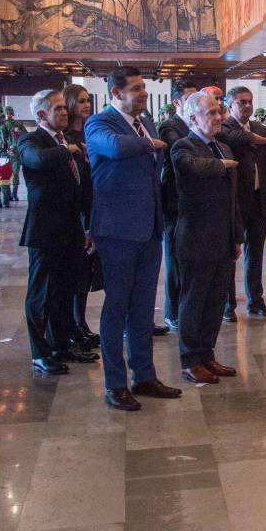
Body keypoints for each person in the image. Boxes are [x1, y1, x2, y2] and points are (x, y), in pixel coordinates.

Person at [85, 67, 182, 411]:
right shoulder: (99, 123)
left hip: (149, 229)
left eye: (144, 88)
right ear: (116, 94)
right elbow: (112, 148)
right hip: (116, 231)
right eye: (136, 89)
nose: (142, 94)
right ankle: (115, 384)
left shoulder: (148, 123)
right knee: (116, 309)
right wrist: (146, 143)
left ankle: (144, 375)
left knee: (142, 309)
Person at [19, 89, 99, 377]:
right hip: (45, 230)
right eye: (57, 109)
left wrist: (87, 225)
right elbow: (37, 160)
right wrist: (70, 150)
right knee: (41, 294)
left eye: (64, 108)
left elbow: (83, 186)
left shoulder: (68, 141)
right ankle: (40, 352)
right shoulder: (31, 140)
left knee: (65, 291)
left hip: (71, 229)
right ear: (41, 115)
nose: (64, 112)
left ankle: (61, 344)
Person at [172, 92, 241, 383]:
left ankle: (207, 354)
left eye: (219, 112)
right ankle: (190, 359)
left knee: (215, 302)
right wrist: (221, 166)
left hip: (223, 238)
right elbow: (191, 168)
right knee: (194, 301)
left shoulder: (223, 146)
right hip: (196, 238)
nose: (219, 118)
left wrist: (236, 236)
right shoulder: (182, 146)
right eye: (211, 113)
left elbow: (232, 198)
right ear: (192, 119)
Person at [218, 86, 266, 317]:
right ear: (230, 105)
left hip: (258, 198)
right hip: (234, 201)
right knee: (230, 254)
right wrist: (251, 138)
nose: (247, 106)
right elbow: (228, 136)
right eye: (241, 102)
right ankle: (227, 305)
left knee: (255, 253)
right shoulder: (224, 128)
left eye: (249, 101)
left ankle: (256, 300)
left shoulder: (262, 128)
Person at [158, 80, 198, 332]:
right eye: (191, 99)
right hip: (174, 200)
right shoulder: (169, 126)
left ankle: (187, 308)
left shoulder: (194, 124)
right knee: (174, 257)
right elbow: (181, 150)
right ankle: (172, 311)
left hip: (195, 201)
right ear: (177, 102)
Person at [61, 84, 99, 350]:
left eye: (88, 101)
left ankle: (81, 323)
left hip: (92, 203)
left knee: (86, 272)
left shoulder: (92, 131)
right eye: (81, 101)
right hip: (72, 209)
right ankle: (73, 326)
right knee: (74, 273)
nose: (86, 105)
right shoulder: (66, 137)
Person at [4, 106, 23, 202]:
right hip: (5, 153)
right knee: (5, 174)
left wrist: (19, 131)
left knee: (15, 174)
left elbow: (26, 135)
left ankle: (14, 194)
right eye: (7, 113)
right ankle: (7, 195)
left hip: (15, 153)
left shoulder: (18, 124)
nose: (8, 115)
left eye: (10, 113)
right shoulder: (1, 124)